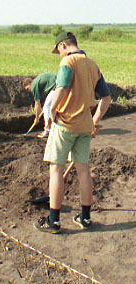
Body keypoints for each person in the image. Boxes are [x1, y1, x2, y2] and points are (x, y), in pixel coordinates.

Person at [34, 31, 111, 234]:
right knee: (83, 169)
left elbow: (61, 88)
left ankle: (54, 221)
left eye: (58, 50)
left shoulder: (67, 63)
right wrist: (93, 122)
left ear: (62, 46)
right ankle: (85, 218)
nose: (59, 54)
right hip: (84, 125)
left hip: (65, 124)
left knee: (56, 170)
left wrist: (51, 111)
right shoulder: (92, 64)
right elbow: (106, 98)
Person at [22, 73, 57, 138]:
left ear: (29, 83)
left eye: (27, 89)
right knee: (52, 107)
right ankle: (56, 128)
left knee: (47, 107)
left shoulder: (33, 86)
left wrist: (37, 118)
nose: (29, 91)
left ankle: (47, 130)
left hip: (56, 87)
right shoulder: (38, 81)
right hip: (62, 84)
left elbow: (37, 104)